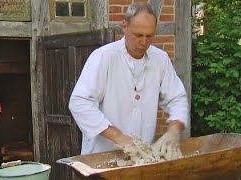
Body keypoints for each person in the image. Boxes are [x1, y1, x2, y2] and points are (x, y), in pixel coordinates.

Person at [69, 2, 189, 155]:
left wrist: (174, 128)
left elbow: (177, 98)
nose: (144, 42)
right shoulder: (103, 57)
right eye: (138, 35)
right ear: (124, 26)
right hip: (102, 154)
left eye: (149, 36)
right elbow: (80, 102)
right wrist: (118, 136)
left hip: (142, 155)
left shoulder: (160, 59)